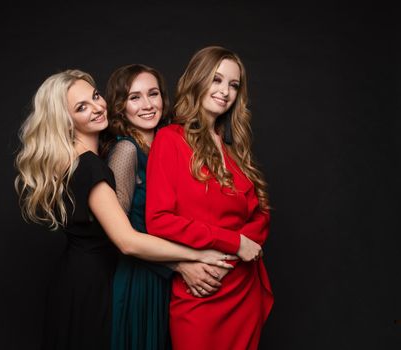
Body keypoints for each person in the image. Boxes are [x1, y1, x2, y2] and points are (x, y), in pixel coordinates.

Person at [14, 69, 233, 350]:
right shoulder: (90, 167)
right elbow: (126, 241)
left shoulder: (84, 161)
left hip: (84, 282)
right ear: (65, 121)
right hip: (92, 287)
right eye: (82, 107)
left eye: (95, 97)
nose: (96, 107)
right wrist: (195, 257)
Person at [145, 46, 274, 350]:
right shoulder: (170, 139)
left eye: (233, 85)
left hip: (243, 290)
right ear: (197, 80)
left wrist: (241, 246)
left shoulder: (234, 151)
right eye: (216, 80)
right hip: (202, 290)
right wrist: (233, 243)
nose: (225, 91)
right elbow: (159, 221)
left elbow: (261, 215)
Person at [103, 64, 229, 350]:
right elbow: (118, 235)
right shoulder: (126, 150)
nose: (147, 105)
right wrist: (181, 263)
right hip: (141, 278)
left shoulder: (171, 142)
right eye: (135, 98)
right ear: (120, 107)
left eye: (153, 94)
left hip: (170, 279)